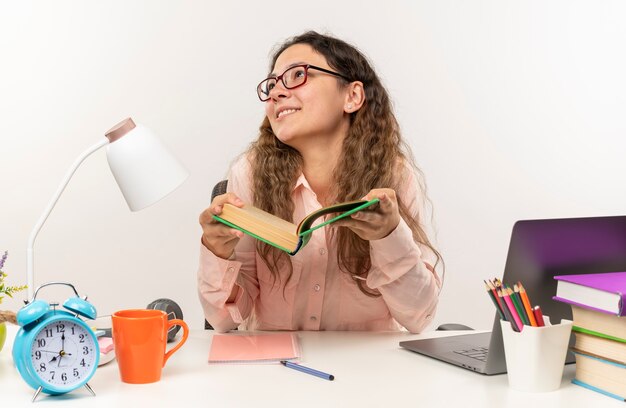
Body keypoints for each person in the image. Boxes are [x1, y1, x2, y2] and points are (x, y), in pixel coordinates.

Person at [198, 31, 442, 333]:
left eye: (298, 75)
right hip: (275, 371)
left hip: (368, 372)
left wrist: (389, 236)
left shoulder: (393, 176)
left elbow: (418, 317)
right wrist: (216, 251)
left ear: (352, 96)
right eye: (272, 84)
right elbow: (224, 320)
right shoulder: (248, 173)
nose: (276, 93)